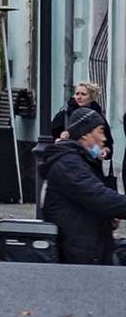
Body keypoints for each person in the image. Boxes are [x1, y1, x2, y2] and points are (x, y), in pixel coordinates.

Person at [36, 107, 126, 265]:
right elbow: (99, 197)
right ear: (85, 134)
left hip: (91, 248)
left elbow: (89, 202)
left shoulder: (80, 160)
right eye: (100, 131)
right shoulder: (68, 164)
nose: (104, 138)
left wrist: (106, 218)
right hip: (80, 255)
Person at [49, 81, 116, 187]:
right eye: (77, 94)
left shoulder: (98, 117)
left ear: (92, 97)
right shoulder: (64, 115)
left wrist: (105, 151)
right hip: (69, 167)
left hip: (92, 168)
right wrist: (60, 139)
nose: (79, 97)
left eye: (83, 94)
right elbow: (53, 141)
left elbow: (108, 145)